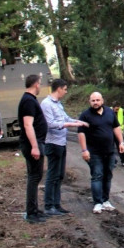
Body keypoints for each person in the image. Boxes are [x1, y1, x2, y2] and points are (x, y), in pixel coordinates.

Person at [41, 79, 88, 216]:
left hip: (61, 143)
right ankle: (49, 206)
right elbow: (50, 124)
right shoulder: (46, 104)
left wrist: (79, 122)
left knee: (60, 175)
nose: (66, 92)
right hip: (53, 143)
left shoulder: (58, 104)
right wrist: (71, 125)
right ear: (59, 89)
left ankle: (57, 204)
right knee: (52, 175)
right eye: (65, 89)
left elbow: (66, 118)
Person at [78, 92, 124, 214]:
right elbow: (81, 133)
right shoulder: (85, 115)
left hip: (109, 151)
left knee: (107, 176)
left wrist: (121, 142)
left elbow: (116, 127)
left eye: (97, 100)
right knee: (97, 176)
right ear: (90, 102)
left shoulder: (110, 113)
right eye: (93, 100)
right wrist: (84, 150)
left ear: (102, 101)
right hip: (94, 153)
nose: (95, 102)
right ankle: (98, 203)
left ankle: (105, 201)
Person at [18, 74, 48, 224]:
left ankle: (34, 209)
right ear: (36, 84)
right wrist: (35, 146)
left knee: (34, 177)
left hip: (34, 144)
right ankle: (31, 213)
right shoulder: (28, 101)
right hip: (32, 145)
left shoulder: (29, 100)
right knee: (34, 177)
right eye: (40, 83)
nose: (40, 86)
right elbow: (28, 125)